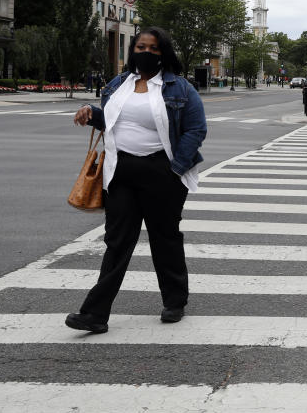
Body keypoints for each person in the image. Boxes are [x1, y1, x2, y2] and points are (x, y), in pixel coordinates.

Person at [67, 26, 207, 334]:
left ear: (163, 54)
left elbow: (196, 130)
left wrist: (176, 168)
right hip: (121, 173)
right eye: (141, 47)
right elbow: (113, 122)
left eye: (153, 48)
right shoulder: (119, 84)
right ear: (133, 50)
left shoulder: (179, 88)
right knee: (117, 242)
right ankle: (95, 314)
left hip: (162, 172)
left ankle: (175, 302)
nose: (145, 52)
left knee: (164, 238)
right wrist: (91, 112)